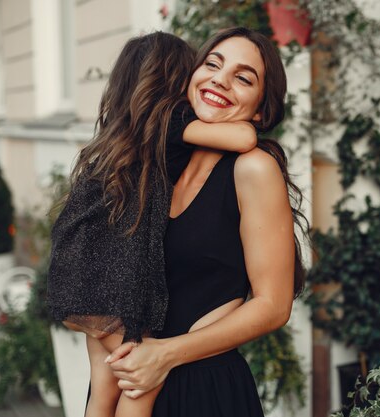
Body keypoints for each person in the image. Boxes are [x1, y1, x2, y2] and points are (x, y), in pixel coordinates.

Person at [47, 32, 261, 417]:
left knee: (103, 382)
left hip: (78, 271)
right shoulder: (169, 120)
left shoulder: (120, 134)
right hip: (109, 282)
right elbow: (243, 135)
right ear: (176, 79)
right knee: (141, 381)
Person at [103, 27, 307, 417]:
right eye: (212, 63)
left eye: (244, 78)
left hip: (201, 390)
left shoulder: (253, 169)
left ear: (261, 109)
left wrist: (165, 354)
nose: (220, 79)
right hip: (132, 382)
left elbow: (273, 304)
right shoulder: (160, 163)